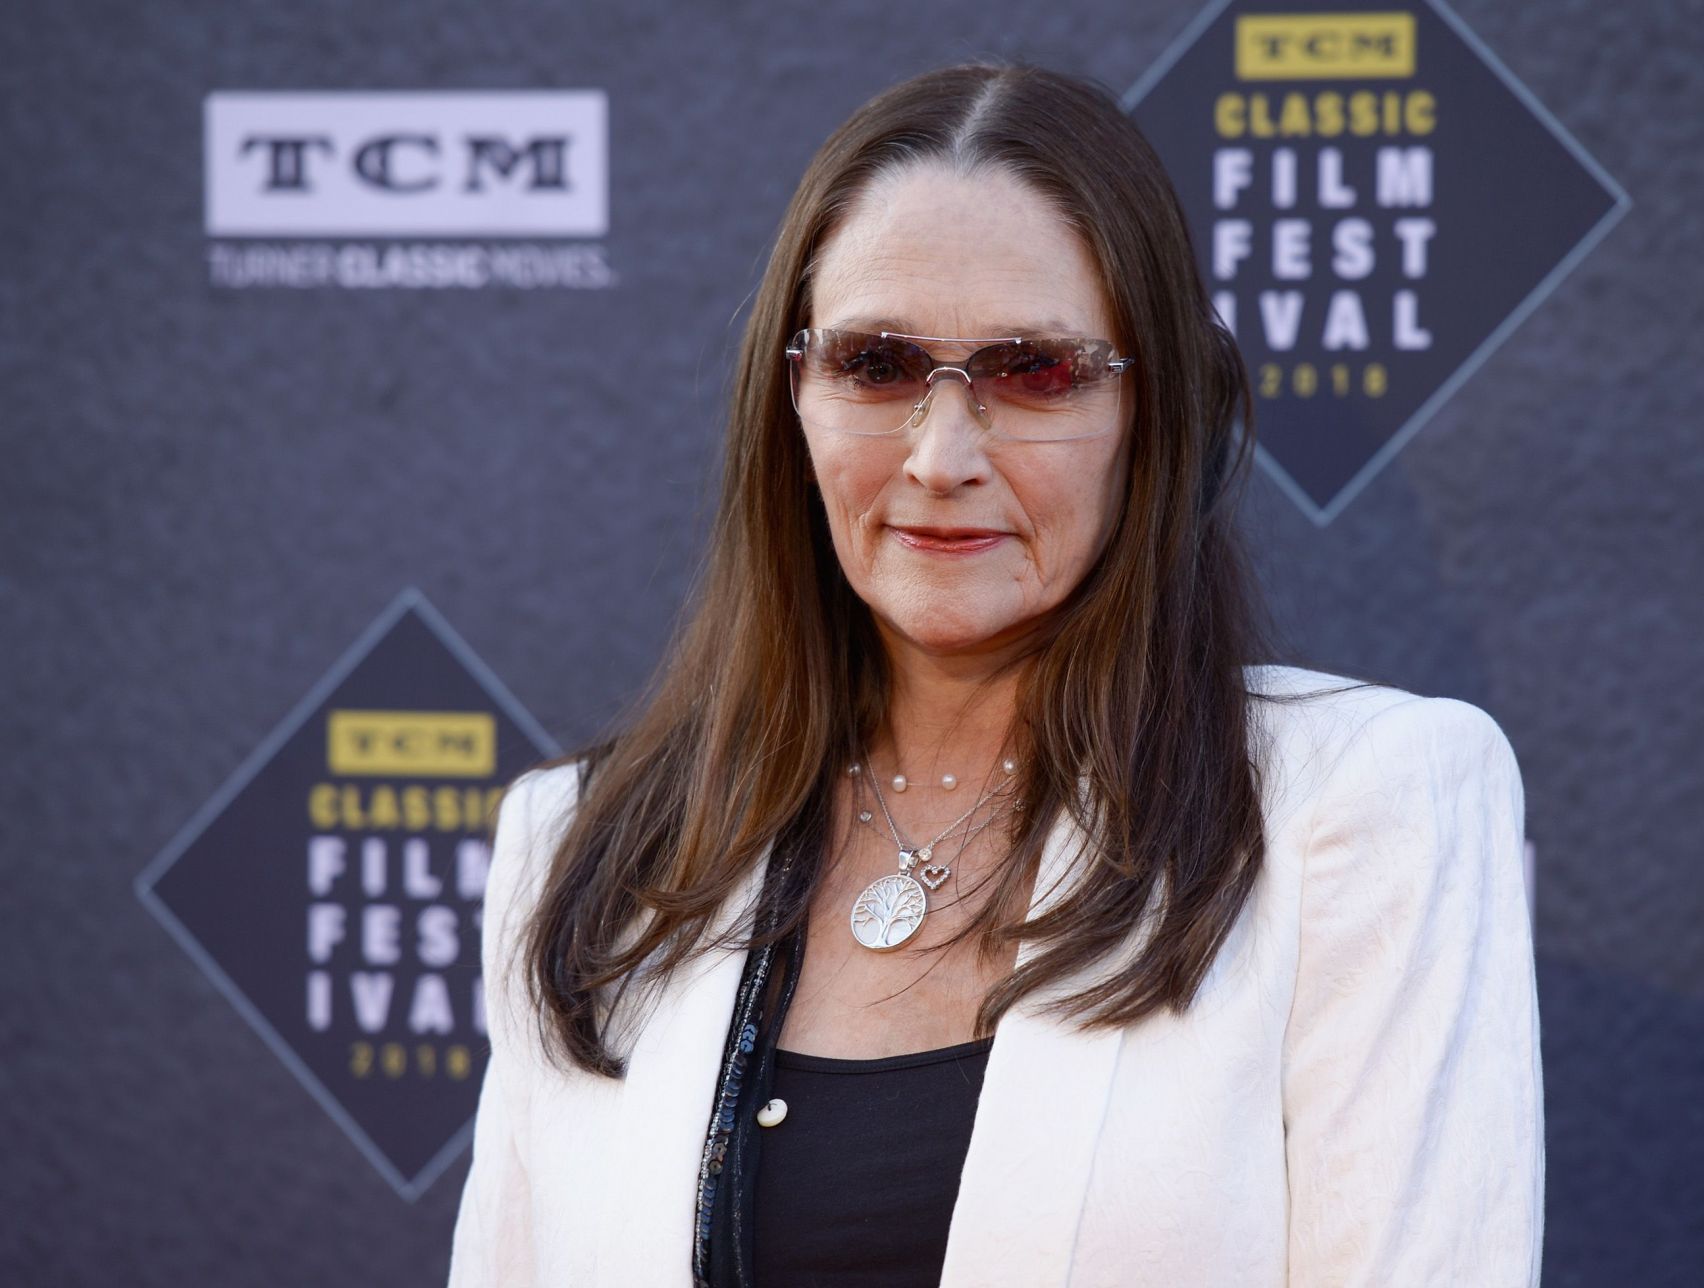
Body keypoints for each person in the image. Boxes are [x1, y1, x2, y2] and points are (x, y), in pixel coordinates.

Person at [448, 60, 1542, 1288]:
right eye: (877, 366)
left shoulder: (1357, 806)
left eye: (1035, 370)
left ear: (1157, 410)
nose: (941, 454)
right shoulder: (589, 849)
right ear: (791, 397)